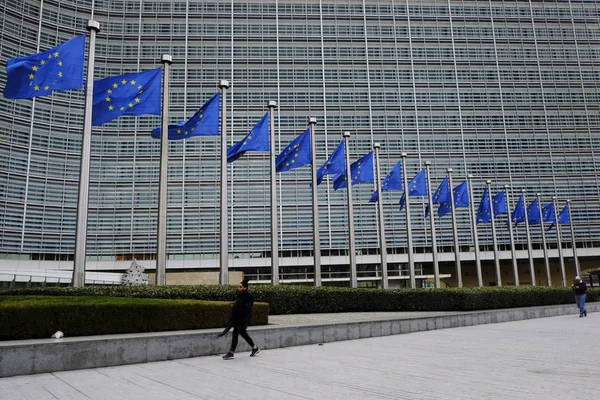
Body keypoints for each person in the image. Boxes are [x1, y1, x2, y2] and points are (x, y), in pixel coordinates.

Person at [218, 278, 260, 359]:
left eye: (240, 287)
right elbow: (238, 304)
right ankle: (254, 348)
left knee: (236, 335)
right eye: (238, 287)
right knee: (243, 334)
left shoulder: (248, 296)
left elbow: (247, 308)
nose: (239, 288)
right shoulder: (239, 295)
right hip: (238, 319)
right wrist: (234, 306)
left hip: (242, 319)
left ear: (245, 288)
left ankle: (231, 353)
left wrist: (236, 307)